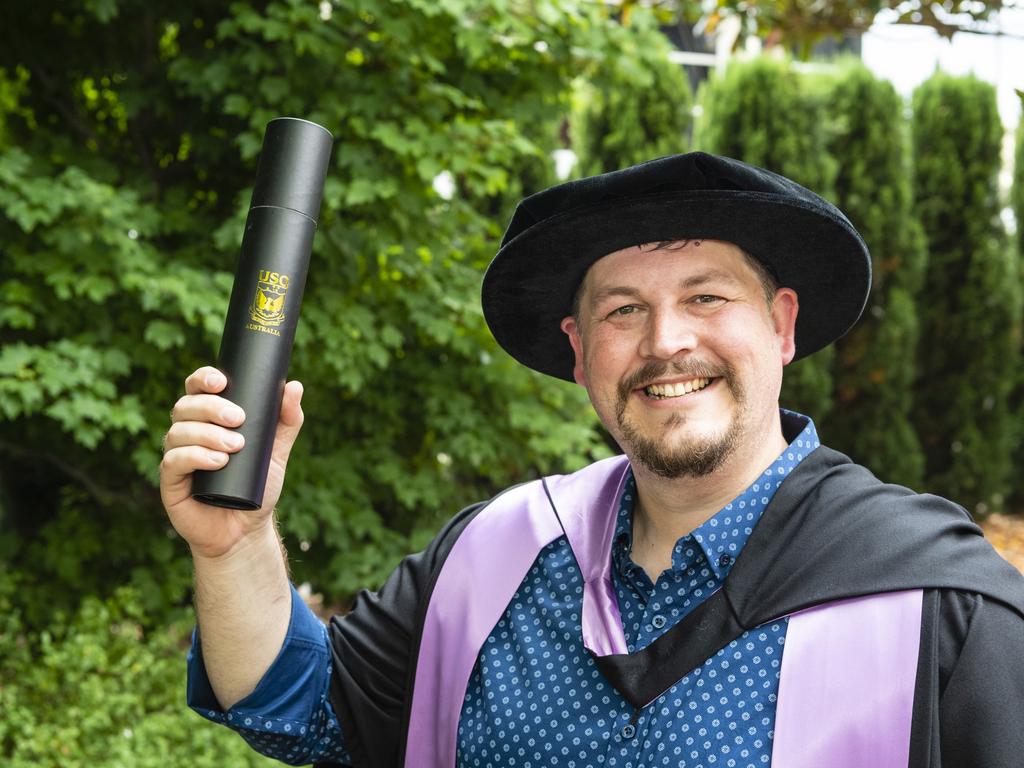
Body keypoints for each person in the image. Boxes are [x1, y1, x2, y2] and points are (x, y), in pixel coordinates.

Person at [162, 152, 1024, 768]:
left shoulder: (940, 607)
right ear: (579, 351)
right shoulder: (496, 556)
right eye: (622, 311)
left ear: (783, 326)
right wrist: (233, 545)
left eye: (707, 296)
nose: (666, 342)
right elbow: (303, 711)